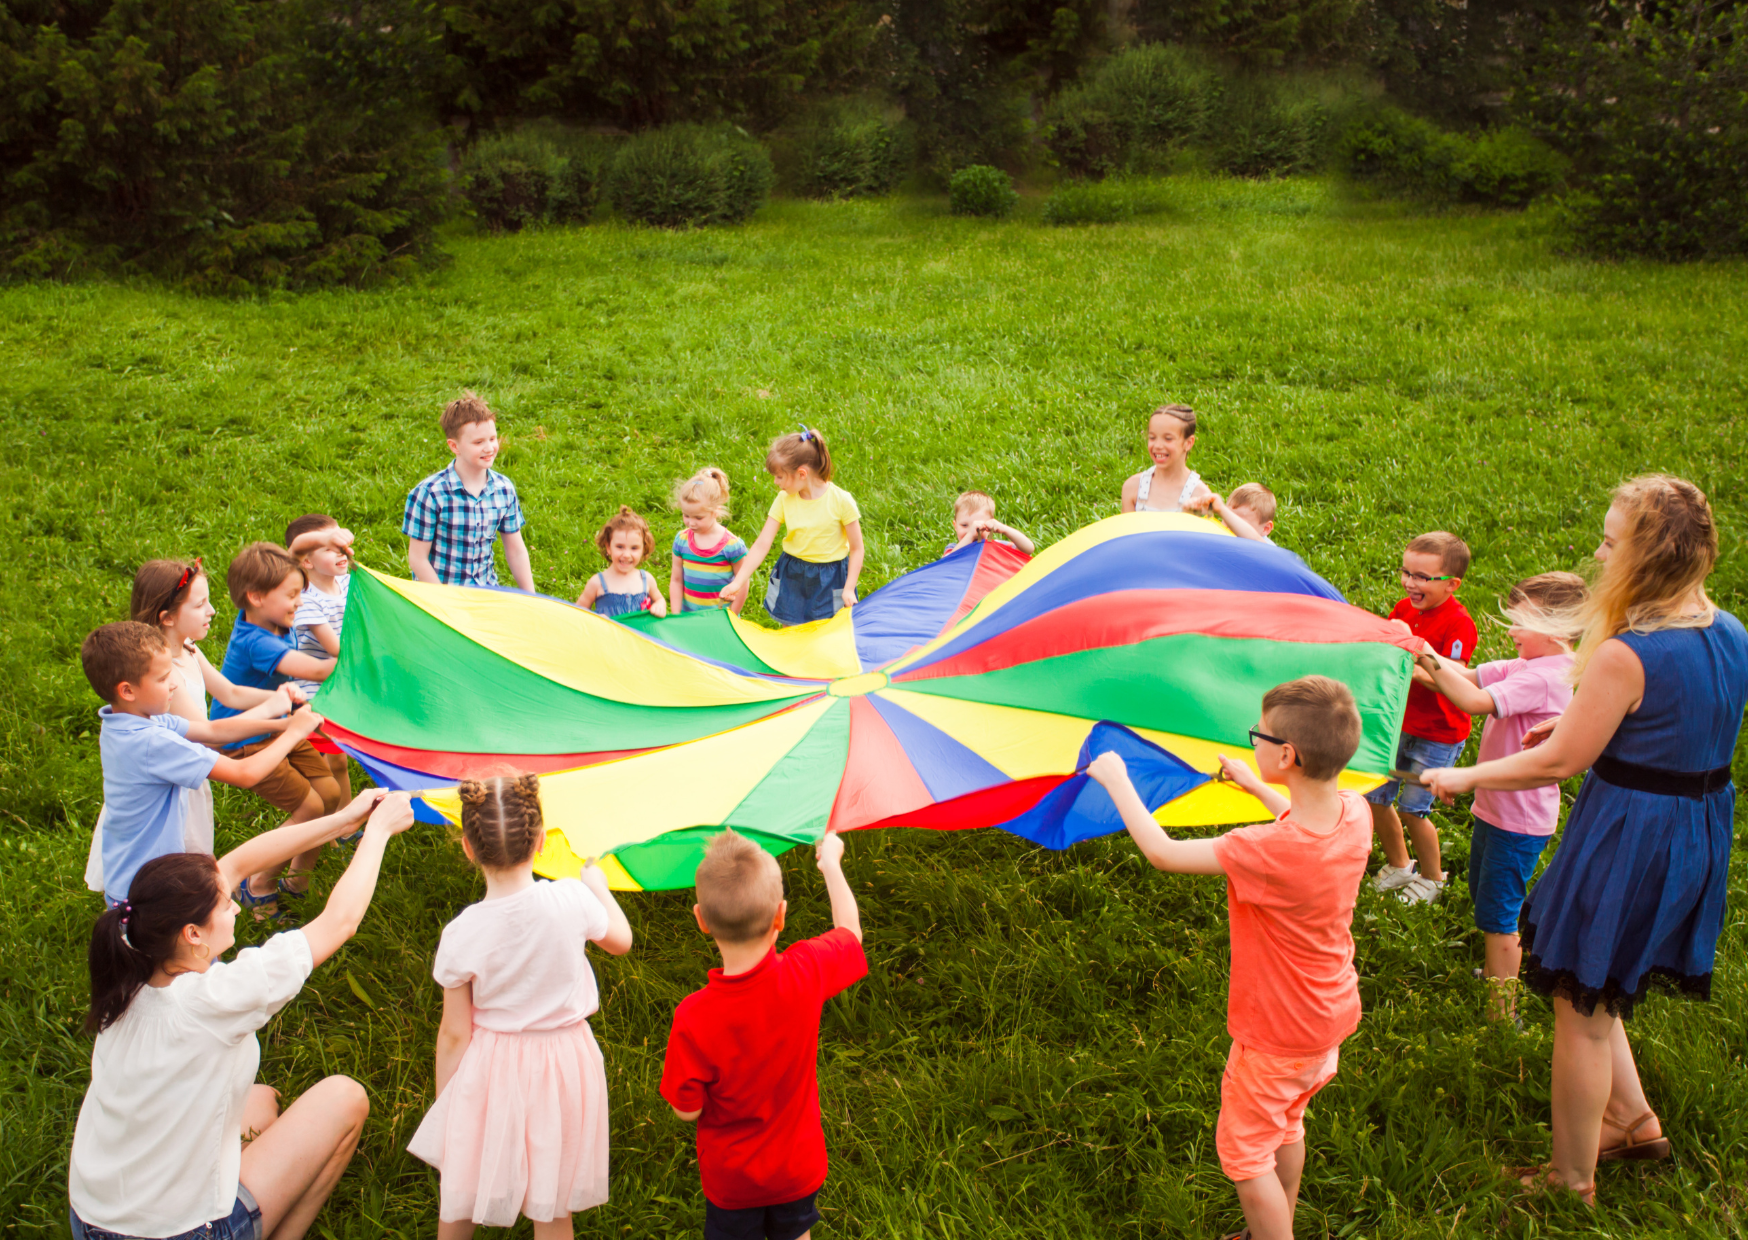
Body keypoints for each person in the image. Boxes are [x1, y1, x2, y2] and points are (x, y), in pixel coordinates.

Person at [1425, 475, 1748, 1205]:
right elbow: (1677, 728)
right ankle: (1632, 1119)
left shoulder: (1625, 653)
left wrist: (1467, 775)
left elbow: (1557, 762)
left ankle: (1570, 1179)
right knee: (1596, 986)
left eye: (1609, 540)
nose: (1598, 552)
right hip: (1693, 830)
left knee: (1580, 1012)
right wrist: (1581, 728)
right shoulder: (1728, 631)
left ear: (1644, 557)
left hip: (1631, 836)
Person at [1088, 676, 1372, 1240]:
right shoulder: (1354, 812)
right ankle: (1278, 1221)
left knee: (1245, 1157)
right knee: (1287, 1124)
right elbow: (1298, 818)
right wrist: (1254, 787)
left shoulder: (1265, 849)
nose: (1253, 745)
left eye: (1257, 738)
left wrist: (1118, 782)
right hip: (1329, 1015)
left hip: (1275, 1032)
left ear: (1286, 755)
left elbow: (1164, 853)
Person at [68, 788, 415, 1240]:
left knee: (262, 1100)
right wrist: (379, 831)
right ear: (193, 933)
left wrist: (344, 818)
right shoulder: (214, 999)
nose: (235, 902)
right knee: (343, 1098)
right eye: (226, 904)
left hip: (93, 1217)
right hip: (180, 1232)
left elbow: (231, 866)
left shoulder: (132, 973)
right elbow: (338, 923)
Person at [408, 775, 634, 1238]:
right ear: (541, 842)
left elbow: (454, 1033)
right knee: (552, 1204)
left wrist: (447, 1102)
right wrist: (597, 885)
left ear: (468, 849)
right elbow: (621, 942)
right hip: (565, 1064)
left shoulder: (462, 932)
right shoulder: (571, 898)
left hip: (492, 1068)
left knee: (462, 1180)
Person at [660, 830, 866, 1240]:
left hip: (733, 1181)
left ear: (701, 919)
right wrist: (831, 865)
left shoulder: (693, 1016)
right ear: (781, 915)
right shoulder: (806, 971)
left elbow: (686, 1110)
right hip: (798, 1167)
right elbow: (851, 933)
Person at [1415, 571, 1586, 1023]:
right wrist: (1423, 653)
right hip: (1498, 809)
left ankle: (1502, 1011)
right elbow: (1468, 675)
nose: (1510, 631)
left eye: (1519, 623)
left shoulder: (1547, 677)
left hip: (1518, 818)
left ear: (1556, 628)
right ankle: (1498, 967)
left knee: (1498, 912)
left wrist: (1426, 661)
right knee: (1484, 894)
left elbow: (1472, 701)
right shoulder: (1532, 664)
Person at [85, 560, 305, 894]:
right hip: (172, 792)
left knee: (182, 882)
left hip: (175, 778)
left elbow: (226, 699)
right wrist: (292, 730)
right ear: (167, 617)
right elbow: (222, 751)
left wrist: (282, 706)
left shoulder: (163, 681)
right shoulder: (156, 710)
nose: (213, 610)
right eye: (201, 604)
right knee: (183, 879)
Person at [212, 543, 344, 920]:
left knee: (330, 794)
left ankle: (297, 881)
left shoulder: (273, 619)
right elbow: (317, 671)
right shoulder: (255, 641)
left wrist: (330, 538)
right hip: (246, 740)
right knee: (310, 806)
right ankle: (257, 884)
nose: (299, 603)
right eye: (291, 595)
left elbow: (302, 544)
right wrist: (362, 653)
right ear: (255, 597)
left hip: (283, 725)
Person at [1367, 531, 1477, 905]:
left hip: (1438, 734)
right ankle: (1400, 864)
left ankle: (1433, 877)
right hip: (1398, 724)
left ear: (1452, 584)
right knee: (1376, 798)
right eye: (1406, 573)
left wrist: (1409, 667)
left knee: (1414, 810)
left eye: (1422, 577)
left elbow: (1454, 680)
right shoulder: (1403, 609)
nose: (1410, 583)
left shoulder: (1458, 624)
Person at [720, 427, 864, 627]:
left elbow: (857, 549)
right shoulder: (784, 499)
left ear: (801, 474)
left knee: (829, 633)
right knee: (791, 632)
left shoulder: (841, 501)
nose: (775, 482)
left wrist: (849, 588)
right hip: (793, 574)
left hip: (831, 579)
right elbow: (762, 544)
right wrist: (737, 582)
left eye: (779, 476)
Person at [404, 390, 534, 592]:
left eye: (492, 438)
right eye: (478, 442)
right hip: (439, 595)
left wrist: (531, 596)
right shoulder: (430, 493)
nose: (489, 448)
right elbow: (417, 559)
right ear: (454, 446)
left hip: (484, 592)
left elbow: (516, 550)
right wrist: (445, 602)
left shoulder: (504, 489)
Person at [285, 514, 355, 807]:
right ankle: (332, 823)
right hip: (317, 693)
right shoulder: (306, 600)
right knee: (330, 765)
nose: (340, 553)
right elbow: (336, 648)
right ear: (307, 562)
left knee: (340, 762)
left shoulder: (351, 584)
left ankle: (346, 824)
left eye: (341, 544)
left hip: (346, 683)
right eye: (329, 548)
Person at [670, 468, 750, 614]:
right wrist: (676, 615)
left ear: (716, 511)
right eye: (686, 515)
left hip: (719, 622)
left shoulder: (732, 546)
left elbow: (742, 584)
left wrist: (731, 616)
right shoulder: (681, 541)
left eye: (698, 518)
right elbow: (676, 580)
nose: (691, 523)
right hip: (688, 619)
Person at [1120, 404, 1214, 514]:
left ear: (1188, 443)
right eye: (1152, 438)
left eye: (1168, 439)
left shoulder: (1200, 495)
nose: (1158, 445)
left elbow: (1206, 530)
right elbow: (1126, 530)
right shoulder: (1133, 487)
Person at [578, 506, 668, 618]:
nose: (626, 555)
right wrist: (596, 619)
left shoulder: (646, 579)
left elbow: (659, 599)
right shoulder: (597, 583)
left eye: (634, 548)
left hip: (637, 634)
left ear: (643, 549)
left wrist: (659, 605)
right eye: (620, 547)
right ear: (608, 547)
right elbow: (579, 612)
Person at [942, 490, 1035, 557]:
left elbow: (1028, 549)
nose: (973, 530)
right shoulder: (952, 549)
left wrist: (1005, 529)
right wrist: (970, 536)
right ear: (955, 526)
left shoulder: (999, 547)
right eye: (964, 525)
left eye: (979, 526)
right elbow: (947, 562)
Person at [1190, 483, 1277, 544]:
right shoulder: (1222, 534)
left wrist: (1222, 510)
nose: (1229, 526)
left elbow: (1257, 543)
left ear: (1266, 528)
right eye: (1227, 518)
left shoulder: (1268, 550)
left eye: (1238, 521)